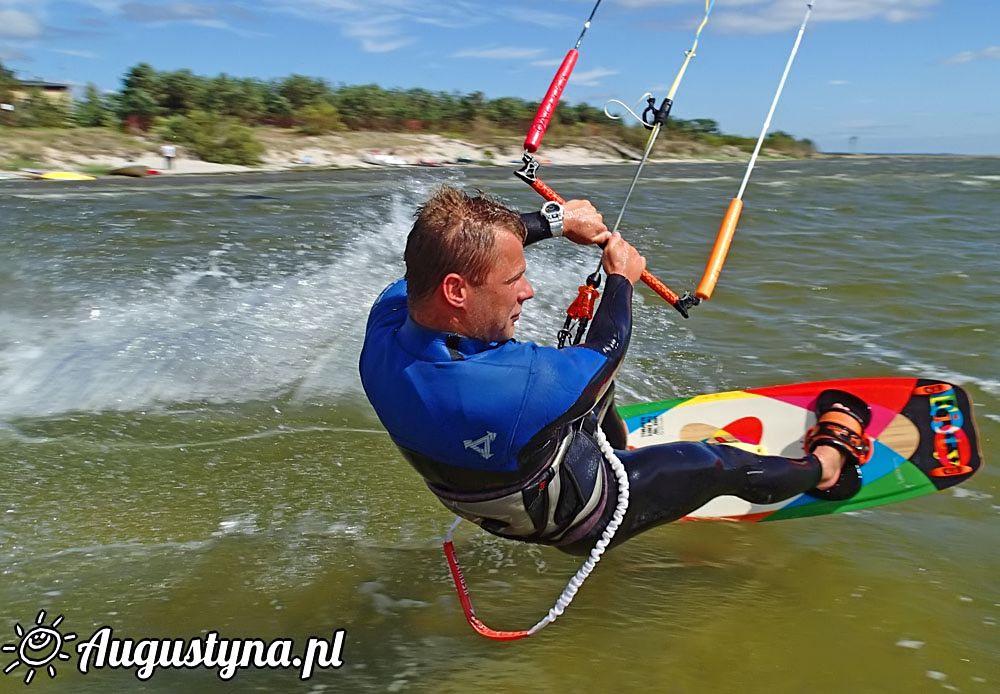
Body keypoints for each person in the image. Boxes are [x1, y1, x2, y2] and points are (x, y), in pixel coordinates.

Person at [359, 186, 871, 554]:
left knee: (585, 393)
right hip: (582, 516)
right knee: (715, 466)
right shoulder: (511, 389)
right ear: (456, 291)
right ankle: (826, 469)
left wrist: (555, 222)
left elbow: (442, 253)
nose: (527, 291)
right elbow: (606, 350)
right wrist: (621, 280)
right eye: (513, 279)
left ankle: (618, 448)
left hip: (502, 477)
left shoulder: (385, 330)